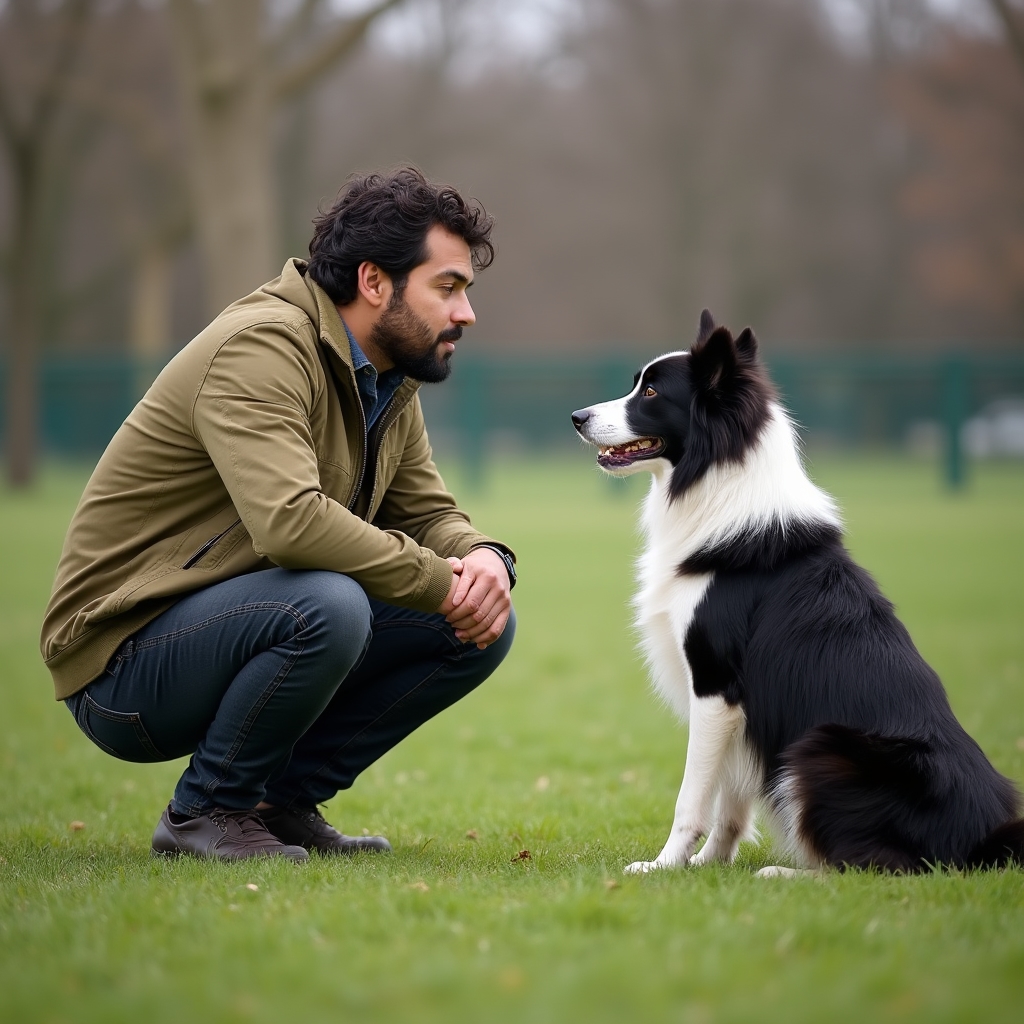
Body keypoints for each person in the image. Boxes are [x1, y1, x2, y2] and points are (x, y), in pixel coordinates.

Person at [40, 168, 516, 862]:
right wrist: (440, 580)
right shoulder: (262, 347)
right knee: (329, 604)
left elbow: (427, 509)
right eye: (447, 287)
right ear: (374, 281)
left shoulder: (389, 375)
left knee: (476, 625)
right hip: (120, 659)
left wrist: (482, 561)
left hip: (230, 619)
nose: (465, 313)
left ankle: (278, 804)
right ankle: (205, 813)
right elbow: (289, 522)